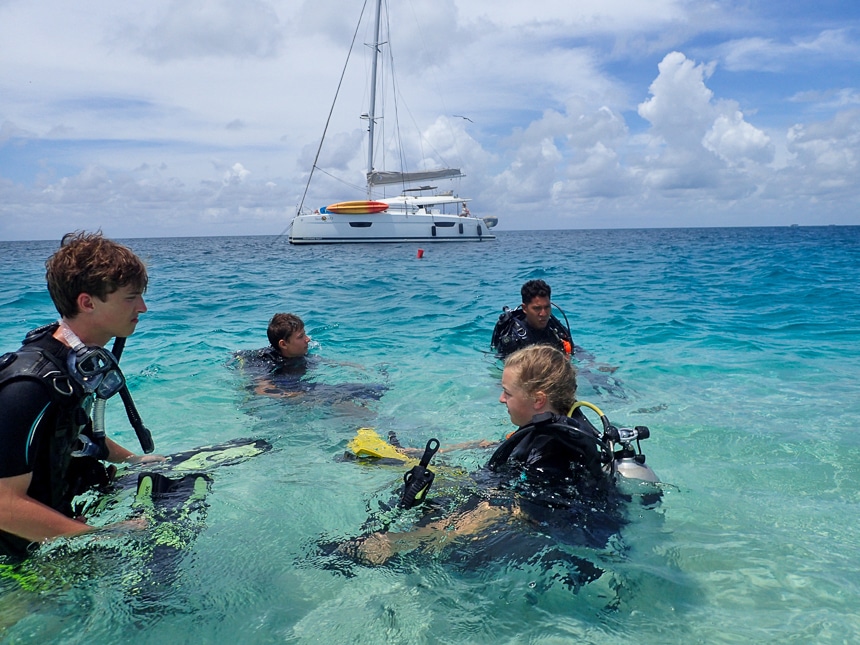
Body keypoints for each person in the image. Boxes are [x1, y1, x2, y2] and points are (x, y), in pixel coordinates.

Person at [346, 345, 620, 569]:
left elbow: (508, 508)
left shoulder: (553, 449)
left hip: (553, 536)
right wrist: (442, 451)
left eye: (508, 393)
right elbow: (504, 448)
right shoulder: (562, 424)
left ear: (538, 400)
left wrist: (403, 540)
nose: (501, 399)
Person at [0, 231, 163, 562]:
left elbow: (74, 433)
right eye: (131, 298)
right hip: (18, 558)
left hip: (53, 530)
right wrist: (101, 536)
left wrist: (133, 461)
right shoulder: (28, 387)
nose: (143, 308)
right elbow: (3, 506)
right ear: (87, 302)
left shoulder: (72, 365)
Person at [231, 313, 386, 402]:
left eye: (304, 333)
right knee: (332, 396)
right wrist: (297, 397)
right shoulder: (263, 362)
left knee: (372, 390)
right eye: (301, 336)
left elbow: (322, 362)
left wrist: (350, 366)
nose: (308, 339)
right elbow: (262, 389)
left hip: (300, 387)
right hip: (286, 390)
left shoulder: (300, 354)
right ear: (284, 344)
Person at [490, 279, 573, 359]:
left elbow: (575, 350)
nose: (543, 314)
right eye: (537, 308)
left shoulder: (555, 328)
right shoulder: (512, 338)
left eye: (547, 307)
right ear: (525, 308)